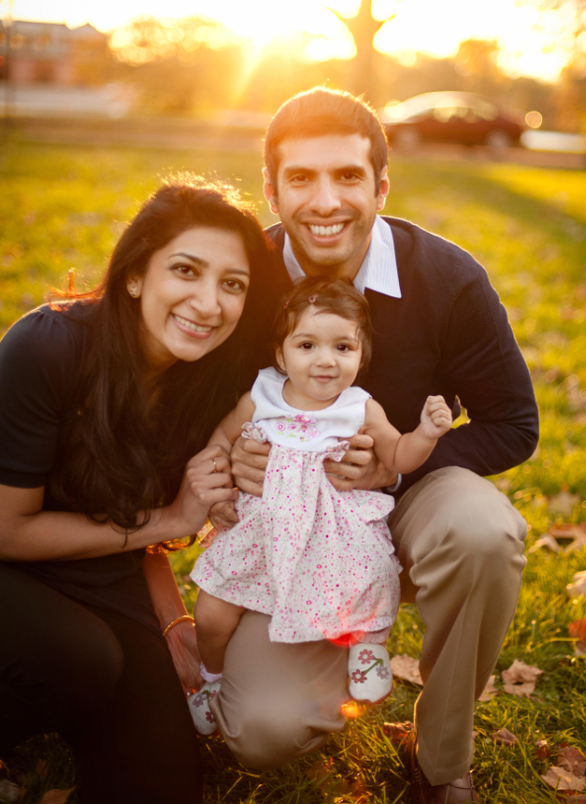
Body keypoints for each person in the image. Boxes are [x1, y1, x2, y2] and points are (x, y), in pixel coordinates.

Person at [208, 88, 539, 804]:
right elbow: (200, 412)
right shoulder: (243, 279)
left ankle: (442, 760)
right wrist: (228, 463)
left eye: (348, 177)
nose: (325, 201)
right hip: (290, 528)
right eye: (301, 179)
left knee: (482, 532)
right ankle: (333, 650)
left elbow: (514, 423)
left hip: (412, 494)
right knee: (258, 730)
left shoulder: (449, 279)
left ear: (382, 185)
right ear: (271, 189)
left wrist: (388, 470)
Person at [0, 176, 288, 804]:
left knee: (162, 786)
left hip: (103, 577)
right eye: (186, 270)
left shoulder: (211, 379)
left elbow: (131, 519)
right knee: (79, 659)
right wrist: (172, 517)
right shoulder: (47, 347)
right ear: (135, 274)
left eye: (231, 284)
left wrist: (171, 620)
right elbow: (9, 530)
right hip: (8, 564)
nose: (208, 304)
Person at [186, 278, 452, 731]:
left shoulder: (359, 407)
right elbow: (222, 439)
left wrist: (426, 433)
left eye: (343, 347)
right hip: (262, 530)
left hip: (334, 532)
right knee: (211, 611)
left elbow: (397, 454)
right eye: (307, 344)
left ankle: (367, 647)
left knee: (370, 575)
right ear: (280, 353)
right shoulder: (260, 397)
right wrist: (220, 485)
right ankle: (212, 678)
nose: (326, 360)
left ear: (361, 354)